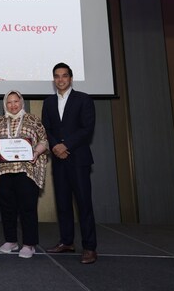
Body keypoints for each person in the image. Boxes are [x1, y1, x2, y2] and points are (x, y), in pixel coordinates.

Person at [42, 63, 97, 264]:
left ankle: (89, 247)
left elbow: (87, 128)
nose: (60, 79)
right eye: (57, 76)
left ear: (71, 78)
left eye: (64, 76)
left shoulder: (84, 99)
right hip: (59, 160)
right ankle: (66, 242)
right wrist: (56, 146)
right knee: (63, 203)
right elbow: (46, 129)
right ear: (53, 80)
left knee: (84, 204)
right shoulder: (48, 102)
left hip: (78, 159)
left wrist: (65, 145)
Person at [0, 90, 48, 259]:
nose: (13, 105)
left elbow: (44, 140)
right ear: (5, 104)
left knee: (27, 207)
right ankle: (11, 240)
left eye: (16, 101)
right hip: (4, 171)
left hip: (26, 170)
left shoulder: (33, 119)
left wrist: (36, 152)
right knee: (7, 207)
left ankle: (29, 244)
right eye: (9, 102)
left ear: (21, 102)